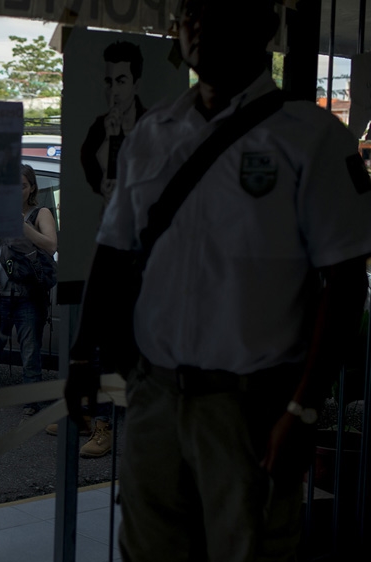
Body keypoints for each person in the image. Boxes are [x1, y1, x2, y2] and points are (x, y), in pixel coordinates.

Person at [65, 1, 371, 560]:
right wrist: (84, 355)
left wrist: (303, 411)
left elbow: (347, 283)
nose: (202, 19)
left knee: (247, 547)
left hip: (250, 409)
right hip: (155, 396)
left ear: (263, 26)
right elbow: (111, 251)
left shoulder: (311, 140)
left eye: (221, 5)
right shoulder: (152, 131)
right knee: (146, 547)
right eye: (192, 9)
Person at [0, 164, 57, 426]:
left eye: (23, 186)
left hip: (29, 297)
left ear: (32, 188)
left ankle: (32, 407)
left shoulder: (41, 213)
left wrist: (21, 226)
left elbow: (51, 245)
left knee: (30, 354)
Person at [79, 40, 147, 202]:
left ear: (136, 85)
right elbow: (91, 180)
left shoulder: (153, 125)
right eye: (109, 82)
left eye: (121, 81)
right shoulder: (97, 130)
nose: (113, 91)